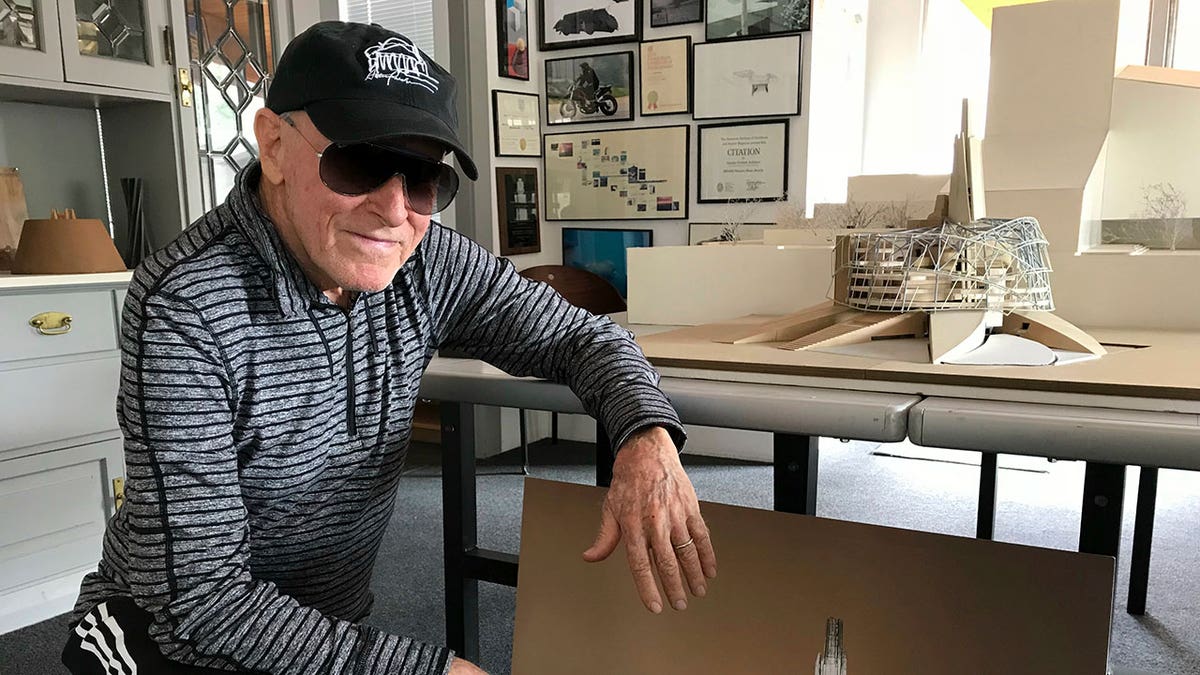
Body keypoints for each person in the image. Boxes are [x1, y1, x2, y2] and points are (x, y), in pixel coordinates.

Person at [59, 21, 716, 675]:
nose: (395, 209)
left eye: (424, 176)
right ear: (274, 147)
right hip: (160, 635)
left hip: (316, 629)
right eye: (361, 161)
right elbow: (201, 598)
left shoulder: (428, 261)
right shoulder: (185, 302)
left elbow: (581, 333)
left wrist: (644, 438)